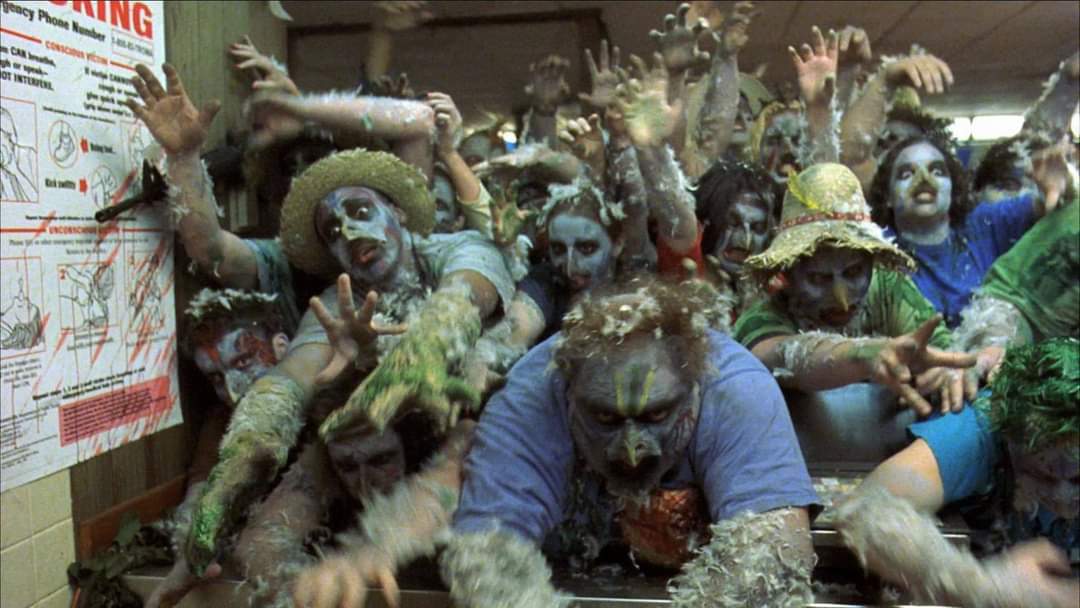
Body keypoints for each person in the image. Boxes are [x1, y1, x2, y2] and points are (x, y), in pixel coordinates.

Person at [440, 278, 818, 607]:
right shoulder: (532, 394)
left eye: (657, 415)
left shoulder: (735, 388)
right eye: (605, 418)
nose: (632, 449)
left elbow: (774, 553)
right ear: (569, 395)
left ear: (694, 391)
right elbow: (486, 556)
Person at [833, 338, 1079, 608]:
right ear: (1010, 440)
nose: (1064, 495)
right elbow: (864, 511)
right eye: (1043, 475)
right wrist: (985, 586)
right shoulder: (978, 432)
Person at [733, 162, 977, 415]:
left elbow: (941, 351)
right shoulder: (761, 320)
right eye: (818, 278)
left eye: (853, 273)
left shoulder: (887, 288)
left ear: (872, 261)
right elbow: (779, 356)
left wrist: (944, 371)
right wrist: (865, 355)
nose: (842, 299)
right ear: (787, 275)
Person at [868, 131, 1068, 327]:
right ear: (887, 196)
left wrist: (1058, 185)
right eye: (906, 174)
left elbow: (1053, 203)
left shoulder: (983, 225)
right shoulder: (877, 253)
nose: (924, 179)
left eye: (937, 171)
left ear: (953, 188)